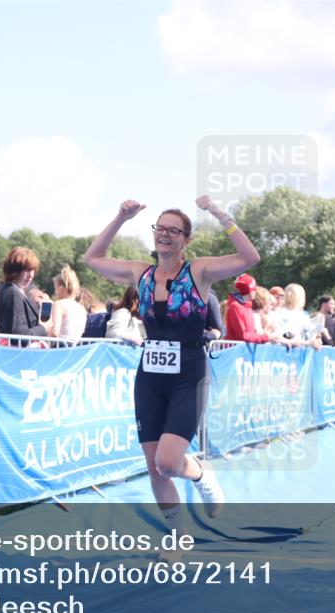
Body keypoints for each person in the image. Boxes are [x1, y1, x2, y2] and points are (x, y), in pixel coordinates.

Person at [85, 196, 260, 532]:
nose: (164, 234)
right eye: (160, 228)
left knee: (169, 461)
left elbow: (250, 257)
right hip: (150, 376)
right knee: (155, 467)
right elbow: (93, 259)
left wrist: (219, 214)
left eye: (173, 230)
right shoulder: (141, 273)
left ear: (185, 240)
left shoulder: (200, 270)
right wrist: (120, 218)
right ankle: (176, 536)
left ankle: (199, 473)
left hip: (189, 375)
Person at [0, 247, 53, 344]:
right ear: (14, 269)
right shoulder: (12, 293)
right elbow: (19, 336)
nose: (31, 275)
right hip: (19, 355)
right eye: (27, 270)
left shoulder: (9, 290)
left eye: (33, 270)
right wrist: (43, 328)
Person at [52, 265, 88, 341]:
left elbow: (55, 333)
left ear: (61, 288)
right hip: (75, 349)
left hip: (60, 348)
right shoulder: (82, 309)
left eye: (56, 288)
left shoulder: (59, 304)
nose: (55, 292)